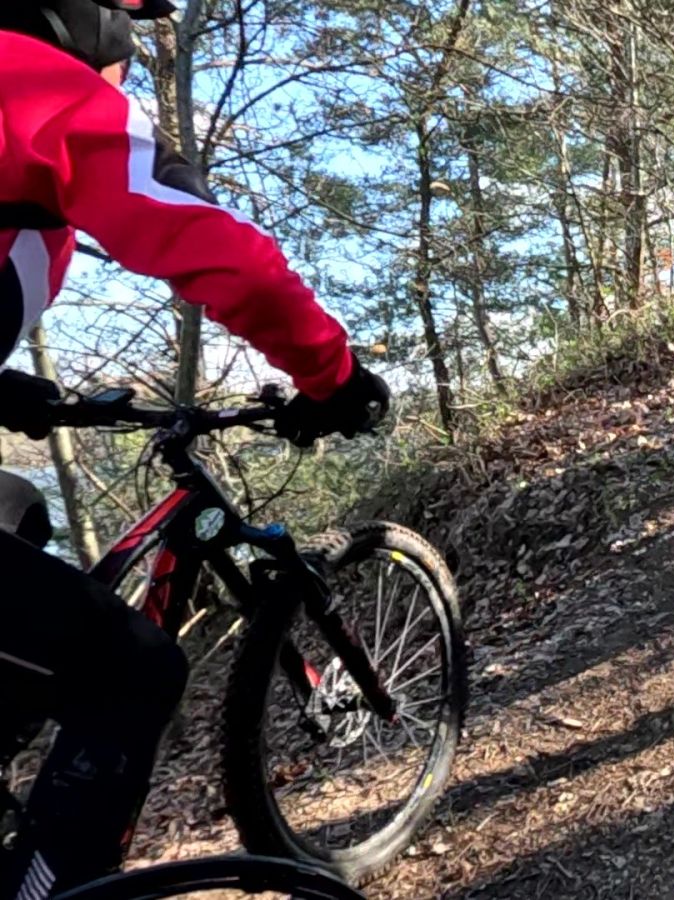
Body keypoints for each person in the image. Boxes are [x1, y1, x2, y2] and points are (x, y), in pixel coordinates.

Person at [0, 2, 390, 895]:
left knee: (18, 509)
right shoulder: (34, 82)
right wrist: (332, 376)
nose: (128, 72)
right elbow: (219, 251)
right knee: (131, 669)